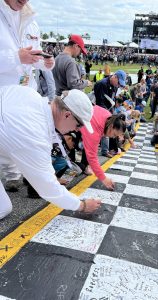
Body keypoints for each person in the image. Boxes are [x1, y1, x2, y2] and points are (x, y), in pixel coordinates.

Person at [0, 85, 101, 219]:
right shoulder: (34, 134)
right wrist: (82, 205)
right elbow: (47, 188)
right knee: (3, 208)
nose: (77, 130)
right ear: (67, 114)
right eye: (78, 125)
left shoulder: (30, 94)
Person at [0, 0, 55, 192]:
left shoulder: (31, 19)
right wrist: (15, 57)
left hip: (26, 90)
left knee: (25, 132)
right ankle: (11, 173)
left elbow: (35, 55)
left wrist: (45, 63)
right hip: (3, 91)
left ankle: (26, 175)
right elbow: (18, 55)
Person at [80, 109, 127, 190]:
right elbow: (92, 158)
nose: (113, 137)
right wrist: (104, 179)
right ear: (112, 126)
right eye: (114, 134)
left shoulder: (108, 115)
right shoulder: (94, 132)